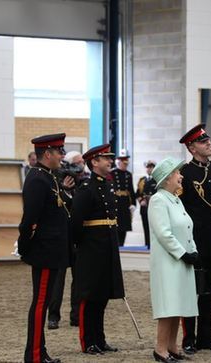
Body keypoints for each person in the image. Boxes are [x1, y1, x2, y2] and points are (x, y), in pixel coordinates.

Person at [18, 133, 70, 363]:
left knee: (43, 301)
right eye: (59, 151)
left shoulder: (49, 177)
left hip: (52, 249)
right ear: (47, 154)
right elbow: (29, 219)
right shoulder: (38, 179)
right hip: (44, 250)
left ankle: (40, 351)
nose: (62, 155)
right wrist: (26, 246)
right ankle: (35, 355)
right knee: (40, 303)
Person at [178, 124, 211, 354]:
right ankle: (189, 338)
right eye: (202, 141)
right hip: (194, 241)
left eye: (207, 139)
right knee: (192, 291)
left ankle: (206, 338)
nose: (208, 143)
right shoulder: (185, 173)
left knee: (209, 292)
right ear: (191, 148)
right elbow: (180, 208)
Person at [71, 144, 125, 355]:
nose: (110, 162)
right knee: (90, 297)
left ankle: (100, 339)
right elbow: (76, 222)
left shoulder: (106, 186)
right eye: (106, 159)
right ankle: (88, 341)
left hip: (107, 247)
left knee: (102, 296)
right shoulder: (87, 188)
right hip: (91, 248)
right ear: (94, 162)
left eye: (110, 159)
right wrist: (81, 246)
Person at [148, 157, 199, 363]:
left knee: (178, 306)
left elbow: (187, 229)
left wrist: (193, 251)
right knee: (168, 306)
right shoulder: (158, 200)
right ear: (168, 178)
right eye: (178, 173)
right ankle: (160, 350)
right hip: (168, 262)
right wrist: (182, 253)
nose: (181, 176)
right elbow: (164, 233)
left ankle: (172, 347)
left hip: (182, 262)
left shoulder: (176, 200)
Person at [47, 150, 87, 329]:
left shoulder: (84, 182)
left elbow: (81, 206)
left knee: (79, 278)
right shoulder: (56, 179)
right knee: (58, 279)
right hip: (61, 237)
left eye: (82, 162)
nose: (81, 165)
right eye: (77, 162)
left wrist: (73, 191)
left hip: (78, 236)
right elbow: (53, 205)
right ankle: (53, 316)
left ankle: (76, 315)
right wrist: (64, 190)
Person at [111, 149, 136, 246]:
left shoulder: (128, 175)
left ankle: (122, 245)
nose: (125, 165)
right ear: (119, 162)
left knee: (124, 227)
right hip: (116, 202)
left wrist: (133, 203)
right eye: (123, 162)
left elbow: (131, 190)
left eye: (126, 163)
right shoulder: (112, 173)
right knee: (116, 226)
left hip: (125, 203)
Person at [136, 160, 158, 248]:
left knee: (154, 227)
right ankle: (147, 244)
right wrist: (141, 200)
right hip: (144, 208)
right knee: (145, 227)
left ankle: (153, 246)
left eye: (151, 167)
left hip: (154, 207)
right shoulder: (142, 180)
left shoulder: (157, 180)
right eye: (148, 167)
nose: (149, 169)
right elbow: (137, 193)